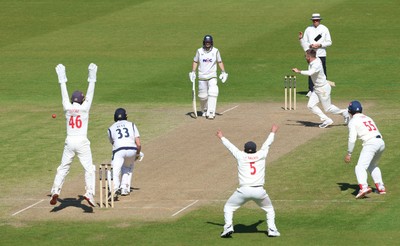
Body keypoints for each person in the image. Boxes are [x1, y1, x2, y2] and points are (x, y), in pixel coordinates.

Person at [216, 125, 280, 238]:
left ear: (244, 149)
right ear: (255, 149)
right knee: (269, 210)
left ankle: (228, 227)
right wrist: (272, 132)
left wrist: (221, 137)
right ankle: (272, 230)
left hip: (244, 190)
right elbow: (267, 144)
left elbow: (231, 147)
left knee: (228, 208)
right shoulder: (261, 154)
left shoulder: (241, 155)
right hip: (259, 191)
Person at [50, 63, 98, 207]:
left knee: (63, 167)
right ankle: (89, 192)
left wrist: (62, 79)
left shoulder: (67, 107)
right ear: (82, 100)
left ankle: (55, 190)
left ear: (72, 100)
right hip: (82, 141)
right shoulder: (84, 108)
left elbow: (63, 94)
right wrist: (92, 78)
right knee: (89, 169)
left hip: (69, 140)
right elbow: (90, 94)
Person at [292, 49, 349, 128]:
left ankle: (344, 112)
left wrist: (299, 71)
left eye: (306, 56)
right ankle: (327, 120)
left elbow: (310, 73)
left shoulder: (316, 64)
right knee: (311, 106)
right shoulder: (316, 59)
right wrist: (301, 39)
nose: (305, 58)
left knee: (328, 108)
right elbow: (306, 48)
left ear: (309, 57)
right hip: (317, 88)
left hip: (323, 89)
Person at [344, 100, 386, 199]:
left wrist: (349, 153)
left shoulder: (353, 121)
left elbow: (352, 139)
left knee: (360, 167)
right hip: (381, 142)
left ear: (350, 111)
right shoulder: (368, 117)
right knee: (372, 165)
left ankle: (363, 187)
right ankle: (380, 187)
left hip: (371, 144)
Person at [189, 35, 228, 119]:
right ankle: (204, 110)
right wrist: (193, 71)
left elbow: (219, 61)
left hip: (212, 76)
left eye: (209, 42)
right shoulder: (199, 51)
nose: (207, 44)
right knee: (202, 96)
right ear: (204, 42)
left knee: (213, 91)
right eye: (206, 42)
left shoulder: (216, 51)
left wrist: (223, 72)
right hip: (202, 76)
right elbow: (195, 61)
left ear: (211, 43)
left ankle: (211, 112)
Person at [107, 108, 143, 196]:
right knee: (126, 167)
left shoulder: (110, 128)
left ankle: (114, 188)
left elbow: (113, 143)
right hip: (132, 150)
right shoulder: (132, 125)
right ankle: (124, 188)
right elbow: (138, 144)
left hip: (119, 151)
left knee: (113, 170)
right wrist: (138, 154)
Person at [298, 13, 332, 97]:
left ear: (319, 20)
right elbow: (305, 42)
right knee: (311, 72)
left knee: (322, 72)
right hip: (311, 54)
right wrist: (303, 40)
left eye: (317, 20)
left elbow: (329, 42)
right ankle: (311, 90)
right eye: (314, 20)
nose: (315, 22)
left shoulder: (324, 29)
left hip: (321, 54)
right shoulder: (308, 29)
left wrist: (319, 45)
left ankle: (324, 90)